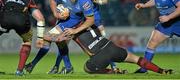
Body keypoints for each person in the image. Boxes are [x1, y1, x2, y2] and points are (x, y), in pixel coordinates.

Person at [49, 0, 118, 73]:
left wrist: (98, 1)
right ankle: (57, 66)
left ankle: (113, 66)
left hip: (95, 16)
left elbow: (105, 0)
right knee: (63, 42)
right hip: (79, 17)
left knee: (102, 41)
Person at [39, 25, 173, 74]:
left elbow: (54, 37)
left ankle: (114, 72)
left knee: (87, 68)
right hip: (111, 46)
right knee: (137, 59)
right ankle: (161, 71)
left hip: (100, 54)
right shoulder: (90, 23)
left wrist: (51, 37)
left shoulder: (71, 28)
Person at [25, 0, 95, 74]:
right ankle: (65, 67)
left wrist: (75, 30)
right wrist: (56, 14)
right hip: (65, 21)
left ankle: (39, 65)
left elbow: (90, 20)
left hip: (77, 23)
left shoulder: (84, 0)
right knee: (56, 42)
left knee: (89, 51)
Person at [134, 0, 180, 73]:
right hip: (166, 24)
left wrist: (168, 17)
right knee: (152, 42)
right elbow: (155, 0)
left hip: (177, 21)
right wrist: (144, 5)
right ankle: (143, 69)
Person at [0, 0, 45, 76]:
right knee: (27, 40)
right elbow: (40, 18)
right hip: (21, 21)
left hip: (5, 19)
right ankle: (19, 71)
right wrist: (40, 38)